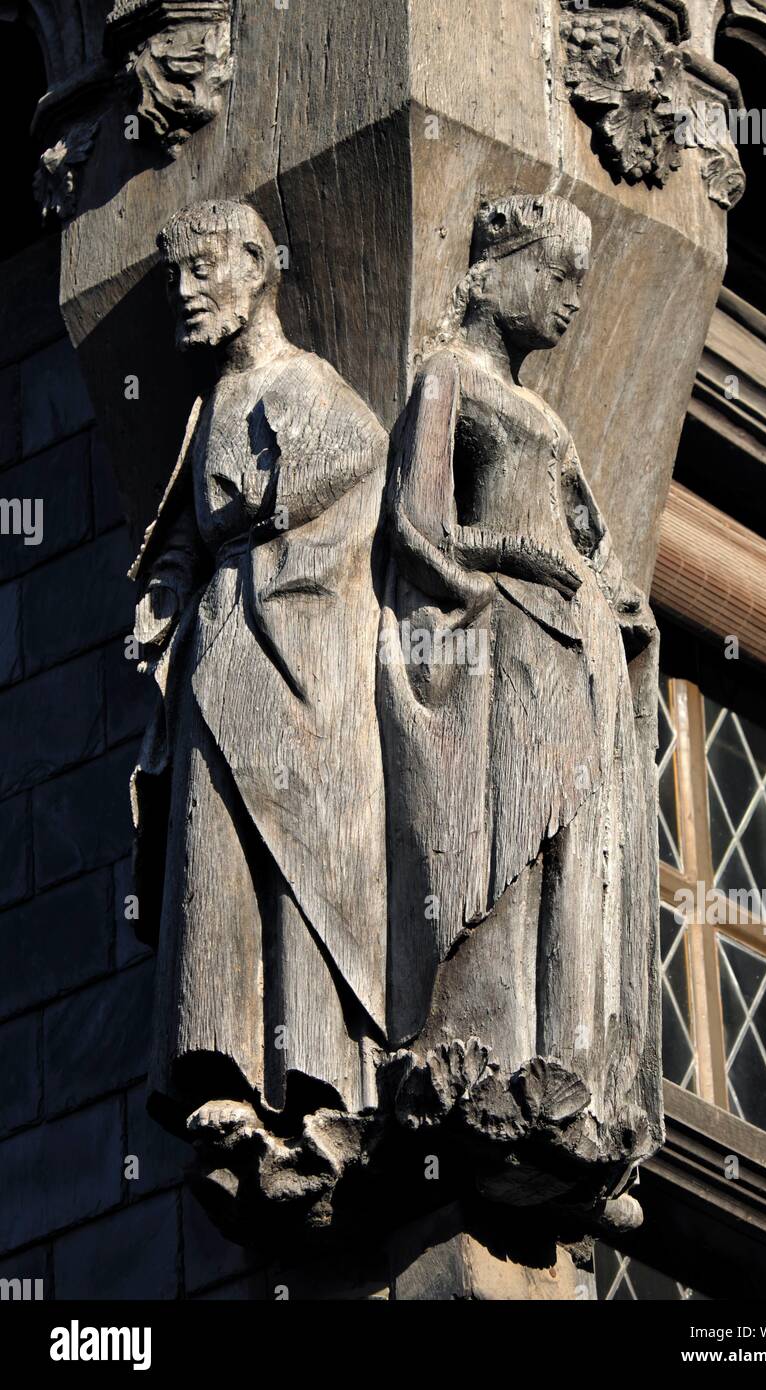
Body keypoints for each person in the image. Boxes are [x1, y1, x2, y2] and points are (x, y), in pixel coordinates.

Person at [378, 194, 663, 1189]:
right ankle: (481, 1048)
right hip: (508, 640)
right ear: (491, 273)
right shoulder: (448, 375)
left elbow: (590, 542)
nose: (571, 301)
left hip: (571, 641)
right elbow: (417, 523)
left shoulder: (546, 416)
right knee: (513, 837)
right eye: (554, 273)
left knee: (577, 846)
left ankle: (570, 1060)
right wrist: (512, 563)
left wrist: (613, 600)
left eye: (581, 282)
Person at [131, 200, 389, 1151]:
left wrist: (269, 554)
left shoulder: (305, 383)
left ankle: (318, 1070)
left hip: (296, 651)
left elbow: (357, 467)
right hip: (220, 647)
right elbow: (184, 533)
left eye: (202, 273)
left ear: (258, 269)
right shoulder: (209, 408)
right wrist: (167, 593)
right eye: (172, 284)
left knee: (300, 850)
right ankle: (221, 1062)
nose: (186, 298)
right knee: (216, 856)